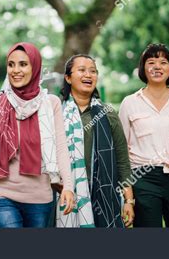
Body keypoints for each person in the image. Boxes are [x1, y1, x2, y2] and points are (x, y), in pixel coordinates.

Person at [0, 42, 74, 228]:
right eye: (11, 64)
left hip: (39, 197)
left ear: (35, 67)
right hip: (2, 195)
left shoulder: (51, 104)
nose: (15, 70)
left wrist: (68, 185)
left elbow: (60, 148)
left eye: (23, 64)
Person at [119, 43, 169, 227]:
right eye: (151, 62)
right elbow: (121, 152)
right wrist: (129, 197)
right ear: (143, 68)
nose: (157, 66)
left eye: (163, 62)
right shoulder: (129, 103)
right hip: (143, 179)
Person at [55, 54, 134, 228]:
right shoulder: (57, 113)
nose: (88, 75)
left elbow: (122, 161)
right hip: (63, 193)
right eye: (82, 70)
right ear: (68, 77)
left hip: (103, 194)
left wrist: (129, 200)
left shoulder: (107, 114)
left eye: (93, 71)